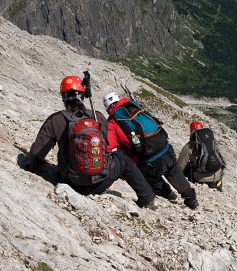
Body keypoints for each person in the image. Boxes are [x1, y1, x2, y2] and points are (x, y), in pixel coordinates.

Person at [25, 76, 157, 208]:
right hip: (102, 180)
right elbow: (105, 145)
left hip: (72, 183)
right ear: (83, 96)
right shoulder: (97, 116)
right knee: (122, 159)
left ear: (63, 97)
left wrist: (33, 166)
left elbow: (36, 154)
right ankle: (148, 199)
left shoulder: (55, 120)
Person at [102, 92, 198, 210]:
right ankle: (191, 199)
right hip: (165, 146)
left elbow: (108, 146)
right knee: (173, 171)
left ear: (108, 108)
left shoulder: (113, 123)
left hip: (150, 158)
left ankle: (169, 195)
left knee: (150, 178)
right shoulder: (133, 105)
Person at [176, 121, 226, 191]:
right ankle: (217, 186)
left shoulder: (190, 145)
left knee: (188, 167)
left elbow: (180, 166)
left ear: (191, 131)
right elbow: (221, 160)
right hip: (217, 176)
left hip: (200, 178)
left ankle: (196, 183)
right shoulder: (212, 142)